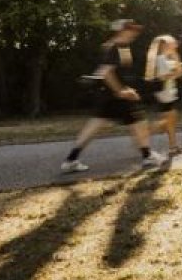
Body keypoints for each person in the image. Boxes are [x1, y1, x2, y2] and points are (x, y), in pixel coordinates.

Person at [61, 19, 163, 172]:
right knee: (138, 123)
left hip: (113, 95)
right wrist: (121, 91)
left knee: (101, 125)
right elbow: (107, 72)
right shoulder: (114, 47)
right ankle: (147, 157)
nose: (134, 33)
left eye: (135, 30)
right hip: (116, 96)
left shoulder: (121, 47)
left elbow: (117, 72)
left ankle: (71, 159)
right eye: (131, 30)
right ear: (122, 30)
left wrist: (127, 88)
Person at [144, 34, 182, 156]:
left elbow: (179, 73)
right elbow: (165, 76)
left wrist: (176, 60)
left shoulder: (166, 58)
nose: (176, 44)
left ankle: (173, 146)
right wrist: (175, 71)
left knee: (170, 121)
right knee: (167, 122)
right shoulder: (160, 59)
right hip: (164, 94)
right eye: (173, 43)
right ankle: (143, 136)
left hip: (168, 93)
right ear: (165, 45)